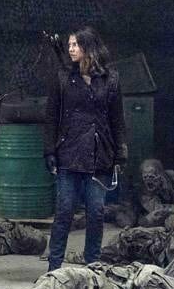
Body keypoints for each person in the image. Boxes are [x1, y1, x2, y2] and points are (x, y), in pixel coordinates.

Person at [43, 26, 127, 272]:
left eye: (75, 45)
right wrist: (49, 151)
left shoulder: (110, 79)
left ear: (88, 47)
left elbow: (117, 119)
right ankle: (54, 269)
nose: (70, 49)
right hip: (69, 153)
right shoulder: (63, 77)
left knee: (96, 213)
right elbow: (51, 117)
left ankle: (93, 268)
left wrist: (120, 153)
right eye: (69, 45)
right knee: (64, 212)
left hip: (100, 155)